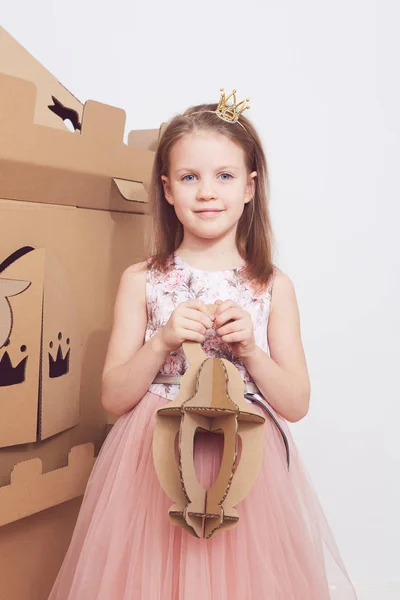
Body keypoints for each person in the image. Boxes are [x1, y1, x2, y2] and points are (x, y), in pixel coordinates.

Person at [48, 89, 357, 599]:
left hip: (243, 458)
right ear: (167, 190)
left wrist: (252, 353)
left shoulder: (272, 286)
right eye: (190, 177)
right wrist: (162, 341)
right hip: (155, 456)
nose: (207, 192)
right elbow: (113, 397)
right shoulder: (142, 280)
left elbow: (296, 403)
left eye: (225, 176)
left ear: (251, 188)